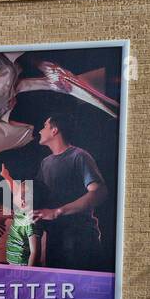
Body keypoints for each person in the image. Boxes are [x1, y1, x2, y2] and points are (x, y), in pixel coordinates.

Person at [31, 115, 106, 271]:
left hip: (80, 241)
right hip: (55, 242)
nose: (39, 130)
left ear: (54, 130)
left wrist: (58, 212)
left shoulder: (79, 156)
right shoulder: (45, 163)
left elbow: (98, 192)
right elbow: (40, 198)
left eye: (44, 126)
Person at [0, 163, 43, 267]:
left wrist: (28, 274)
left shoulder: (31, 222)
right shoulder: (21, 211)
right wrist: (6, 176)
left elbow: (35, 252)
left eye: (18, 194)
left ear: (23, 202)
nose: (15, 193)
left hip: (22, 267)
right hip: (13, 263)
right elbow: (14, 188)